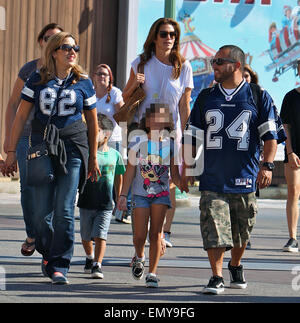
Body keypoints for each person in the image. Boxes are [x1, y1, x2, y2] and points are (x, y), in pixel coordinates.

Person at [181, 45, 286, 295]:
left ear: (236, 65)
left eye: (219, 61)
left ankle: (235, 264)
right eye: (213, 60)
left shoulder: (258, 95)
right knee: (214, 230)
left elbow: (271, 137)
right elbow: (191, 137)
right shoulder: (206, 97)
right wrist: (186, 167)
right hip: (213, 178)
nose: (213, 65)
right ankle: (216, 276)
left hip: (245, 178)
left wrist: (268, 166)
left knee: (241, 234)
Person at [3, 32, 99, 284]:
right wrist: (11, 151)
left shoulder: (83, 81)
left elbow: (92, 121)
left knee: (65, 209)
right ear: (54, 51)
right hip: (42, 146)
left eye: (75, 47)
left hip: (74, 147)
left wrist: (94, 157)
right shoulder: (37, 78)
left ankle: (60, 264)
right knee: (40, 213)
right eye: (66, 47)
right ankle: (48, 253)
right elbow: (21, 116)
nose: (72, 52)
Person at [122, 17, 194, 248]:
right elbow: (124, 97)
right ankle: (140, 240)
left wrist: (188, 134)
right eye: (164, 34)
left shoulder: (183, 66)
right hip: (142, 131)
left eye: (173, 34)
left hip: (171, 132)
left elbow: (185, 104)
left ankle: (164, 232)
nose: (169, 38)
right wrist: (135, 85)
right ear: (154, 37)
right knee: (142, 181)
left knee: (169, 181)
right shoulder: (141, 63)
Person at [3, 23, 64, 257]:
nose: (52, 41)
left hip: (54, 139)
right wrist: (9, 140)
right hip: (26, 138)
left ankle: (46, 238)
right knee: (27, 188)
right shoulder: (29, 69)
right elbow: (12, 105)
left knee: (51, 187)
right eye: (48, 37)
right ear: (41, 41)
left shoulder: (66, 70)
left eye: (57, 38)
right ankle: (32, 233)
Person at [117, 104, 187, 288]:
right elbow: (130, 170)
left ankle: (152, 273)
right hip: (140, 195)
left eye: (161, 118)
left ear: (167, 122)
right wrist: (123, 195)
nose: (156, 121)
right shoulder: (137, 141)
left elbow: (175, 173)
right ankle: (140, 256)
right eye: (153, 118)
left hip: (161, 195)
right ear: (147, 121)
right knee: (139, 236)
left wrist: (183, 183)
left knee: (156, 234)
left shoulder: (170, 144)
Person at [77, 114, 126, 279]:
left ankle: (98, 264)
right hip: (86, 201)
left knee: (100, 235)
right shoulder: (87, 154)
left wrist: (120, 197)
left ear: (107, 134)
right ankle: (90, 257)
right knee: (85, 236)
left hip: (105, 203)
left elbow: (119, 177)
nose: (91, 133)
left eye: (95, 130)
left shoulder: (115, 155)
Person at [92, 64, 130, 223]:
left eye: (105, 75)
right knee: (95, 171)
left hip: (113, 138)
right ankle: (95, 205)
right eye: (99, 73)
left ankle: (119, 207)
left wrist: (126, 138)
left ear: (110, 79)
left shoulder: (114, 93)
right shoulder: (90, 93)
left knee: (117, 174)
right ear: (93, 76)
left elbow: (123, 115)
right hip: (94, 139)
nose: (102, 77)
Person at [280, 59, 300, 253]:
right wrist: (290, 151)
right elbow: (286, 127)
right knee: (293, 192)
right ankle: (292, 237)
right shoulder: (290, 97)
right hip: (294, 152)